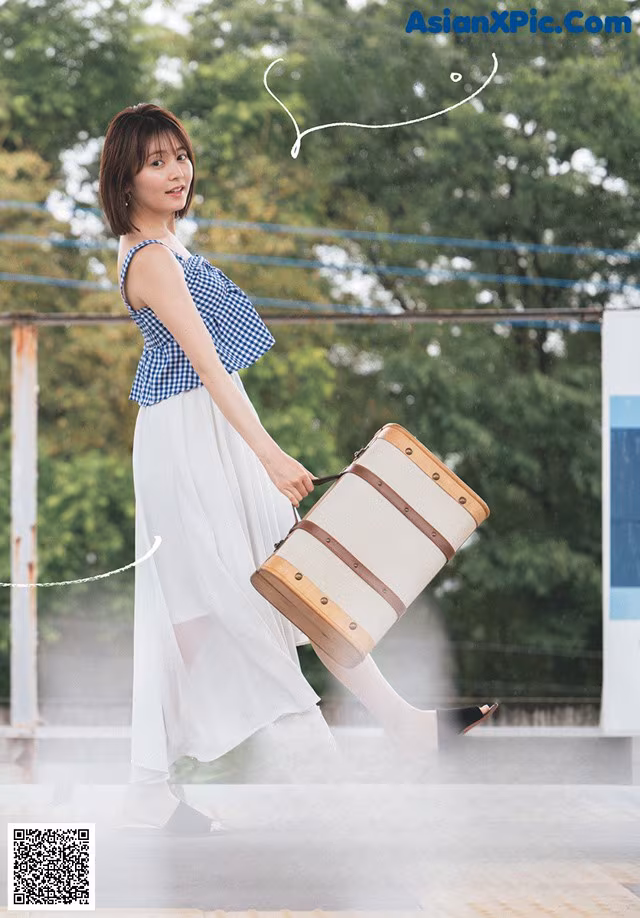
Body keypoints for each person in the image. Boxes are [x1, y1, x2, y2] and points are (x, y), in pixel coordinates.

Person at [99, 103, 498, 836]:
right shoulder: (149, 259)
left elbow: (219, 373)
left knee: (291, 591)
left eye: (179, 155)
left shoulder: (173, 247)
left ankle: (396, 727)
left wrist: (257, 451)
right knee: (233, 616)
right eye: (155, 161)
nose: (175, 170)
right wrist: (269, 452)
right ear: (124, 176)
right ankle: (332, 810)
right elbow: (207, 366)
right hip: (192, 445)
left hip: (215, 435)